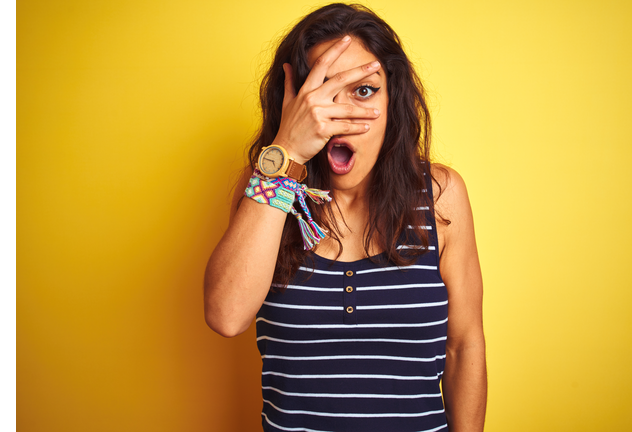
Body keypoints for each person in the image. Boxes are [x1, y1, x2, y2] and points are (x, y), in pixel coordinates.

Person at [204, 3, 486, 431]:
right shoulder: (267, 186)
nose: (340, 116)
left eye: (365, 90)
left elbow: (463, 346)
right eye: (322, 91)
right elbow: (226, 316)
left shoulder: (440, 195)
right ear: (293, 103)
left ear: (395, 101)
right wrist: (288, 154)